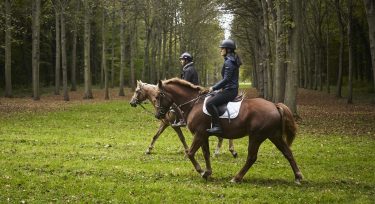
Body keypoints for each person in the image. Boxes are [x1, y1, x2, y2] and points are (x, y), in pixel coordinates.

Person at [206, 39, 242, 135]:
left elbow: (226, 79)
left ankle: (217, 127)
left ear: (228, 50)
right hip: (230, 89)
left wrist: (214, 87)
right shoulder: (231, 60)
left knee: (209, 104)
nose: (220, 50)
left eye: (222, 48)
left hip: (230, 91)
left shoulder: (229, 62)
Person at [171, 52, 199, 127]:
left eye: (182, 59)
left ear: (186, 61)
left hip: (190, 92)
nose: (181, 61)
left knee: (175, 103)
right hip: (191, 91)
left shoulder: (188, 70)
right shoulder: (189, 68)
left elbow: (185, 83)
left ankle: (182, 120)